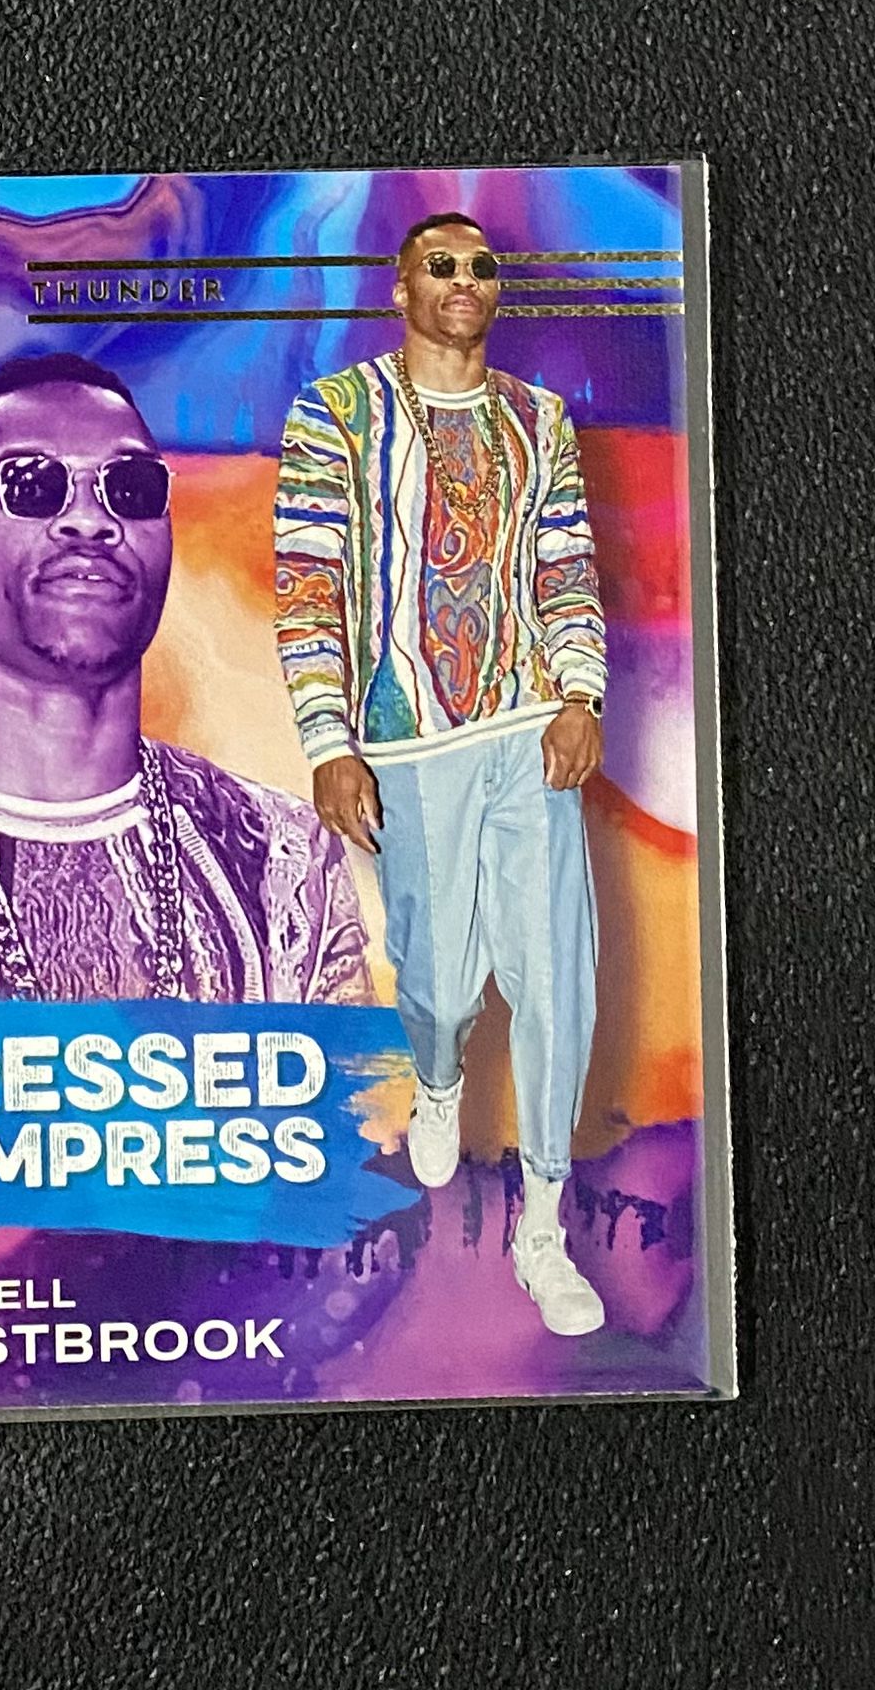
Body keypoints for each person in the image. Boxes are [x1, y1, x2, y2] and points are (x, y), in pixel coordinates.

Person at [272, 212, 615, 1336]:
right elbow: (309, 582)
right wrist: (328, 742)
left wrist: (581, 694)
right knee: (441, 982)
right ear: (401, 285)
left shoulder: (538, 418)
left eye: (480, 267)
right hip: (407, 738)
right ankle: (438, 1078)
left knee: (556, 978)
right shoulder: (337, 413)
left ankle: (543, 1227)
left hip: (529, 728)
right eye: (441, 265)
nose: (463, 281)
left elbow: (566, 562)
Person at [0, 352, 369, 1011]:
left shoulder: (286, 859)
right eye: (31, 485)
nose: (89, 521)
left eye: (132, 489)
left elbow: (349, 1082)